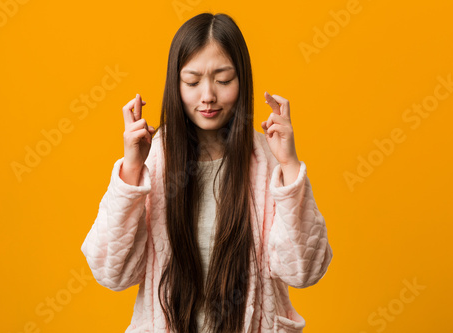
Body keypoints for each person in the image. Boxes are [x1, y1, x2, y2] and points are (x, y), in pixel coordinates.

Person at [81, 12, 333, 333]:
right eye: (192, 81)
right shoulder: (154, 159)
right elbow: (110, 273)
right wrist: (132, 169)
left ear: (242, 81)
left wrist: (289, 165)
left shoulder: (267, 160)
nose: (208, 95)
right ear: (176, 84)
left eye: (223, 79)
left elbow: (305, 272)